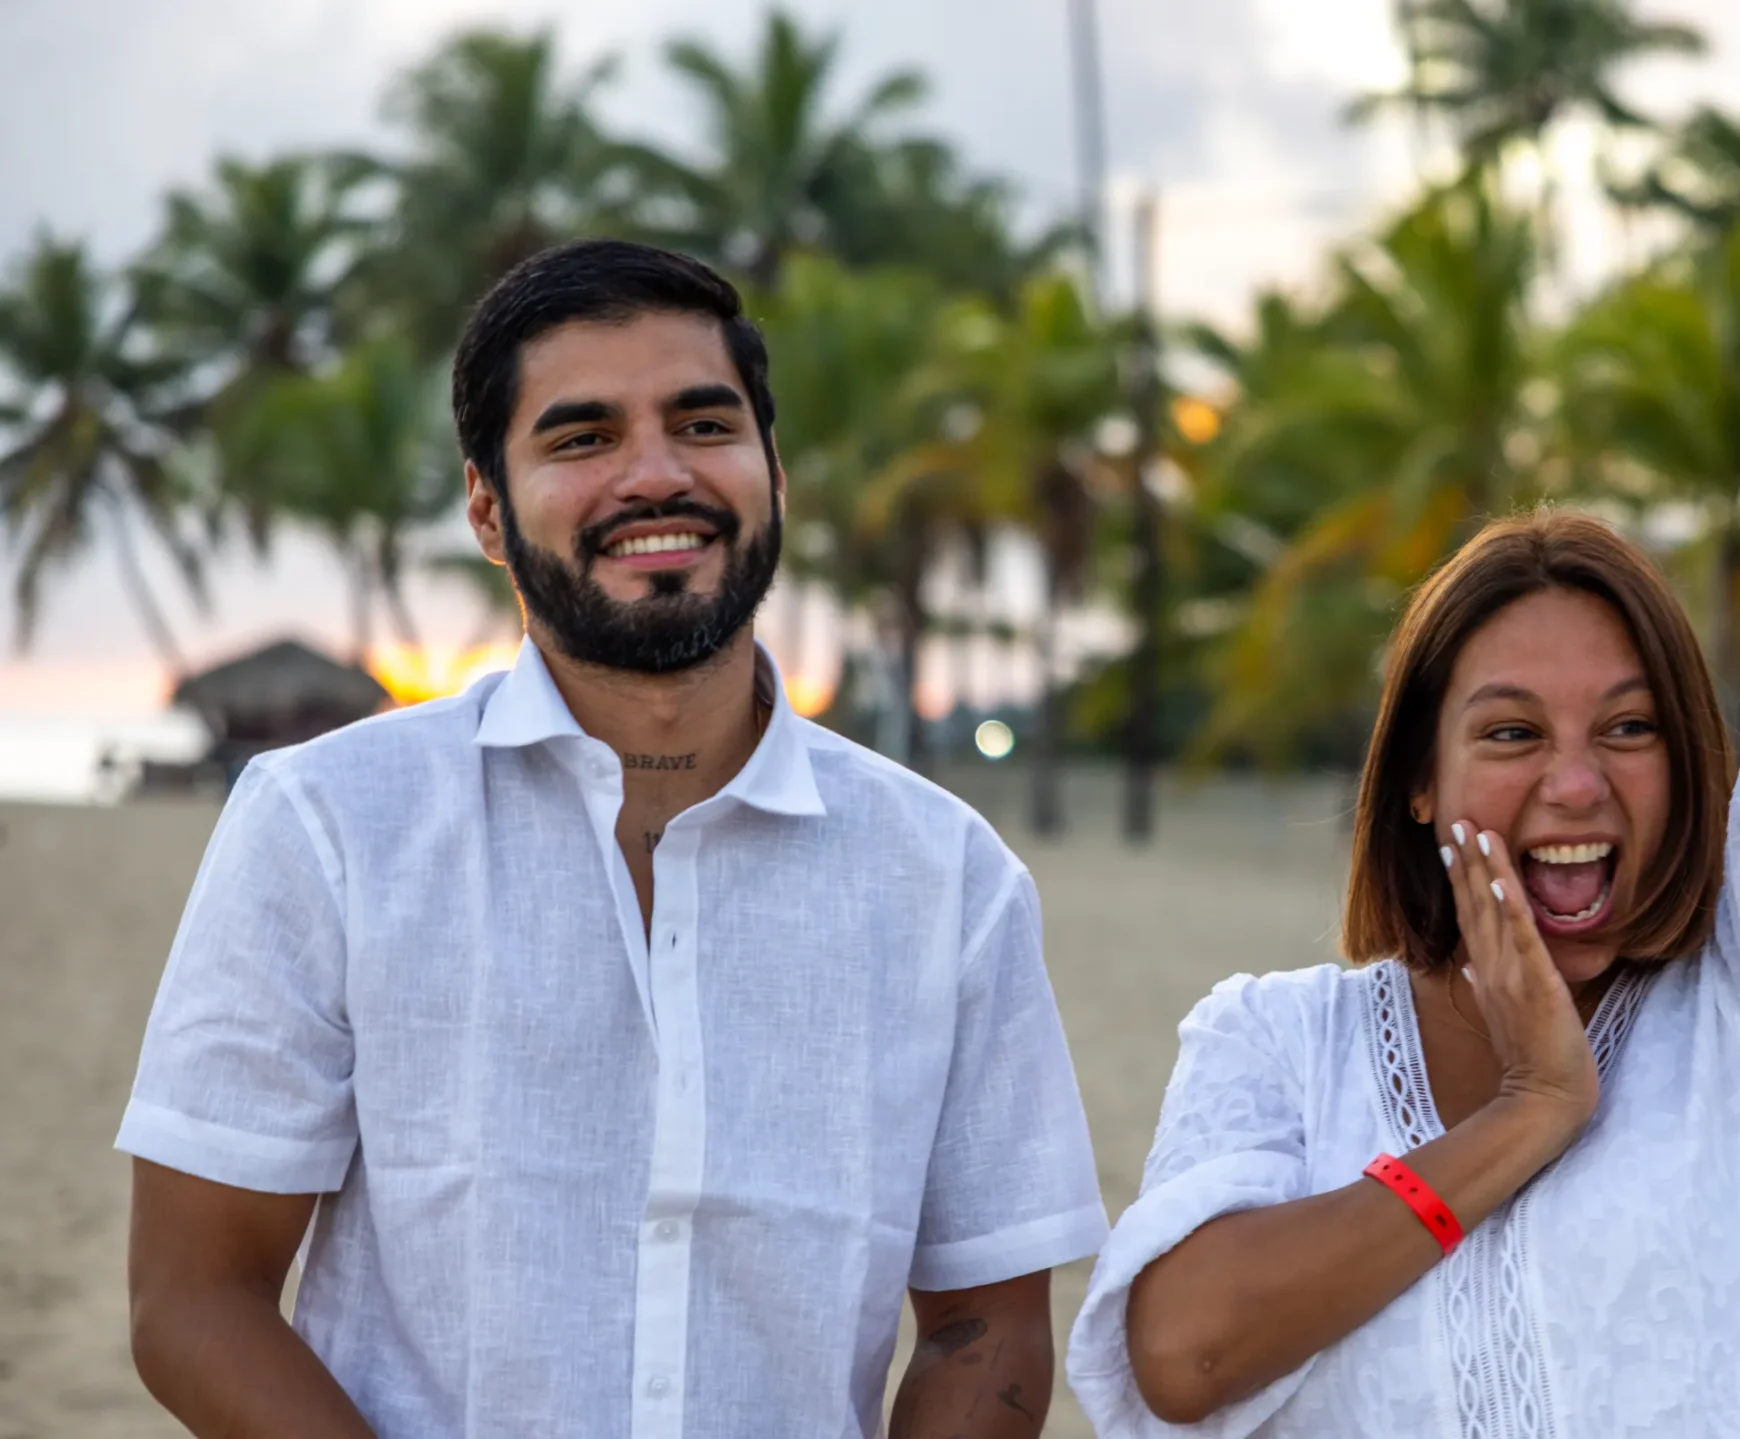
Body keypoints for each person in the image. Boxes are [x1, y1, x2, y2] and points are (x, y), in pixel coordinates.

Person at [1066, 8, 1740, 1436]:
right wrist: (1526, 1113)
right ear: (1417, 777)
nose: (1576, 781)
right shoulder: (1279, 1043)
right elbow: (1187, 1351)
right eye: (1512, 734)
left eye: (1632, 728)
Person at [116, 238, 1107, 1439]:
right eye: (581, 438)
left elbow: (984, 1324)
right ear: (488, 508)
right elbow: (194, 1296)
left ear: (774, 473)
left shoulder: (948, 878)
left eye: (703, 424)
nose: (655, 476)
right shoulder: (327, 826)